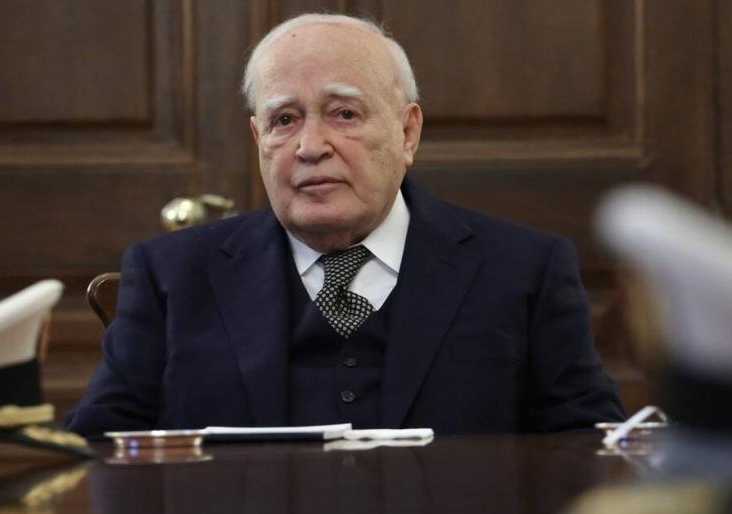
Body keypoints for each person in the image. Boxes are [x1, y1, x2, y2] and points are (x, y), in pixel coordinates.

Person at [65, 13, 624, 438]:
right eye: (285, 119)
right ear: (259, 138)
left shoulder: (523, 271)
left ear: (407, 132)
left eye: (344, 114)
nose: (311, 146)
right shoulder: (171, 275)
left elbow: (587, 448)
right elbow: (98, 450)